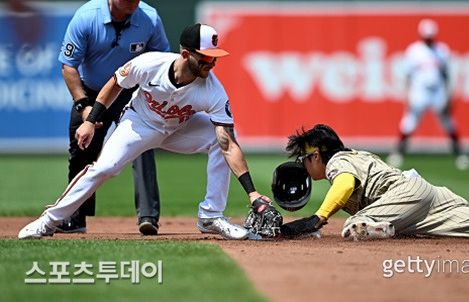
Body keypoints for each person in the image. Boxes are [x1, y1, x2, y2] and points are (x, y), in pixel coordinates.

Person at [19, 23, 277, 241]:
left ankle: (211, 216)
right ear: (186, 55)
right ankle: (49, 220)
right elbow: (115, 83)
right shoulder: (149, 64)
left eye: (215, 57)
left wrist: (252, 193)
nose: (212, 63)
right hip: (139, 124)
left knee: (219, 139)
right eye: (206, 57)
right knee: (105, 169)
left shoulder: (213, 90)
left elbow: (228, 145)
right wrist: (91, 120)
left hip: (178, 128)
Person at [279, 124, 469, 242]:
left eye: (305, 158)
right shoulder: (355, 155)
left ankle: (379, 226)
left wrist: (321, 216)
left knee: (356, 225)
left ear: (317, 155)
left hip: (404, 194)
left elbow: (345, 182)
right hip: (423, 196)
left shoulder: (337, 162)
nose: (305, 165)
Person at [57, 0, 170, 236]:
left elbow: (163, 61)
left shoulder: (150, 19)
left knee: (142, 147)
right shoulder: (87, 17)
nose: (132, 3)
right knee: (82, 149)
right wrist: (84, 105)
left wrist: (151, 97)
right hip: (94, 91)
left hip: (131, 94)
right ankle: (76, 217)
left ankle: (148, 217)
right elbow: (68, 65)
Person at [387, 18, 469, 171]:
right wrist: (406, 94)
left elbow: (446, 75)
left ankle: (460, 154)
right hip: (419, 90)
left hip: (437, 90)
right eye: (426, 36)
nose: (429, 39)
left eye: (430, 36)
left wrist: (449, 95)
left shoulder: (441, 50)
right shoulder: (414, 50)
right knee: (409, 122)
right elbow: (407, 75)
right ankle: (398, 153)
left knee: (448, 122)